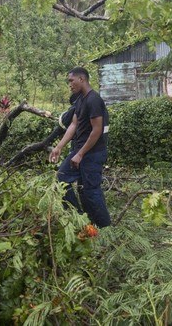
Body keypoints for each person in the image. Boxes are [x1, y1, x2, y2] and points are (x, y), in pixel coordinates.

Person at [49, 67, 111, 228]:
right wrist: (59, 147)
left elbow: (97, 130)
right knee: (65, 183)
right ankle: (83, 221)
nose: (69, 84)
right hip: (80, 151)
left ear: (82, 79)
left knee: (91, 191)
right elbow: (74, 125)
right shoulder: (81, 100)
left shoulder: (94, 100)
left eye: (71, 80)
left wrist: (81, 154)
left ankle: (105, 228)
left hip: (92, 153)